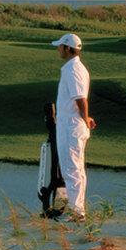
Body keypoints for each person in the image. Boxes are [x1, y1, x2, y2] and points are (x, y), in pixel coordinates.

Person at [51, 33, 96, 220]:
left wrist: (84, 119)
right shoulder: (72, 68)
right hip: (70, 123)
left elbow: (80, 98)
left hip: (71, 125)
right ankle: (75, 208)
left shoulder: (73, 69)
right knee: (73, 168)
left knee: (72, 169)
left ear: (68, 48)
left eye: (60, 46)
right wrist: (85, 117)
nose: (58, 49)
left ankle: (77, 212)